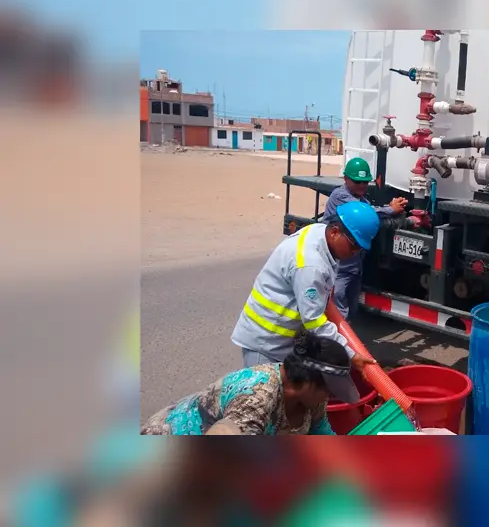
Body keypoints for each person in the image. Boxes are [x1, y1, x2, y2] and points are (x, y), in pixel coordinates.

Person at [231, 200, 381, 369]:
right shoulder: (310, 265)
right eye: (354, 245)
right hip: (264, 343)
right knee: (263, 393)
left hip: (283, 341)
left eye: (361, 248)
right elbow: (314, 321)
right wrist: (350, 355)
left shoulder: (320, 234)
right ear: (334, 232)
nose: (355, 252)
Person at [142, 333, 357, 435]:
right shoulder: (257, 397)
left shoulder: (312, 400)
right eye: (328, 391)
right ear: (309, 382)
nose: (328, 397)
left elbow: (321, 432)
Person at [323, 157, 408, 320]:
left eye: (365, 182)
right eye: (357, 181)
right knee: (337, 307)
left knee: (352, 307)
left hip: (353, 267)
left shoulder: (362, 199)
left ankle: (345, 338)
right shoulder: (340, 195)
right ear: (346, 179)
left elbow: (370, 212)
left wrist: (393, 208)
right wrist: (390, 209)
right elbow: (365, 213)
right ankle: (335, 341)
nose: (362, 185)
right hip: (338, 268)